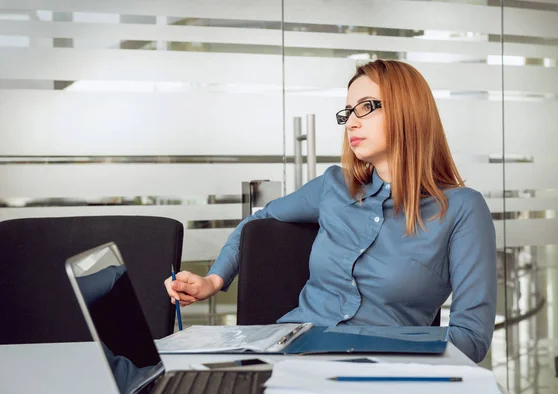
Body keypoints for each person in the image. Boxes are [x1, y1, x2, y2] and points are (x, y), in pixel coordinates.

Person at [164, 60, 497, 363]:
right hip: (288, 355)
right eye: (348, 111)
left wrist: (378, 348)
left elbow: (471, 338)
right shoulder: (334, 186)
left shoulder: (462, 209)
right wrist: (213, 279)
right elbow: (259, 220)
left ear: (409, 111)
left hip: (382, 372)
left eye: (366, 107)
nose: (351, 123)